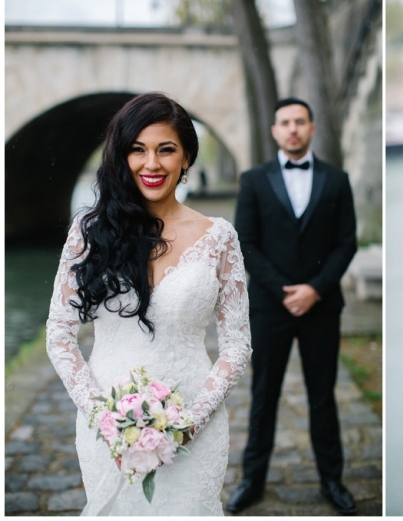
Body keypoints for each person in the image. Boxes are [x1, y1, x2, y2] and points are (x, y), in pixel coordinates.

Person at [46, 92, 252, 515]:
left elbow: (237, 347)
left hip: (194, 424)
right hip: (107, 425)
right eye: (138, 149)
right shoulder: (88, 231)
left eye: (166, 150)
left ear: (187, 157)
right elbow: (60, 335)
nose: (151, 164)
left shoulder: (219, 237)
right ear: (122, 156)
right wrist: (103, 419)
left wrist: (191, 422)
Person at [227, 97, 358, 515]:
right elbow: (246, 243)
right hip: (270, 307)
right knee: (264, 395)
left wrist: (315, 289)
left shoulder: (336, 180)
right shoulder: (254, 180)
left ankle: (332, 481)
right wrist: (285, 290)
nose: (293, 129)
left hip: (322, 306)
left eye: (300, 121)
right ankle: (251, 480)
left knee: (323, 396)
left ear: (312, 128)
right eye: (285, 122)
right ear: (275, 131)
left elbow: (346, 243)